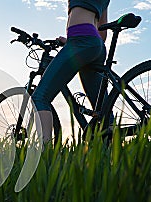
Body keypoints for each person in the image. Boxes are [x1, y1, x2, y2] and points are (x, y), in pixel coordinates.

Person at [32, 0, 110, 142]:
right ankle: (111, 152)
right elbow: (102, 33)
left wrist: (77, 39)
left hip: (81, 40)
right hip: (96, 46)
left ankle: (45, 155)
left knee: (40, 97)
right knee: (103, 110)